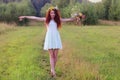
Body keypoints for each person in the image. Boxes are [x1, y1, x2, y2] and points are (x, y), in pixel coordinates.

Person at [19, 6, 75, 77]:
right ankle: (53, 71)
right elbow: (35, 18)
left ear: (55, 14)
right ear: (49, 13)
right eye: (51, 13)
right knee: (51, 55)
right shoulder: (46, 20)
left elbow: (68, 19)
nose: (53, 14)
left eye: (54, 13)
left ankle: (52, 69)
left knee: (55, 55)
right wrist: (25, 16)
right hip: (49, 38)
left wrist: (77, 17)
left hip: (56, 38)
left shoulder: (58, 20)